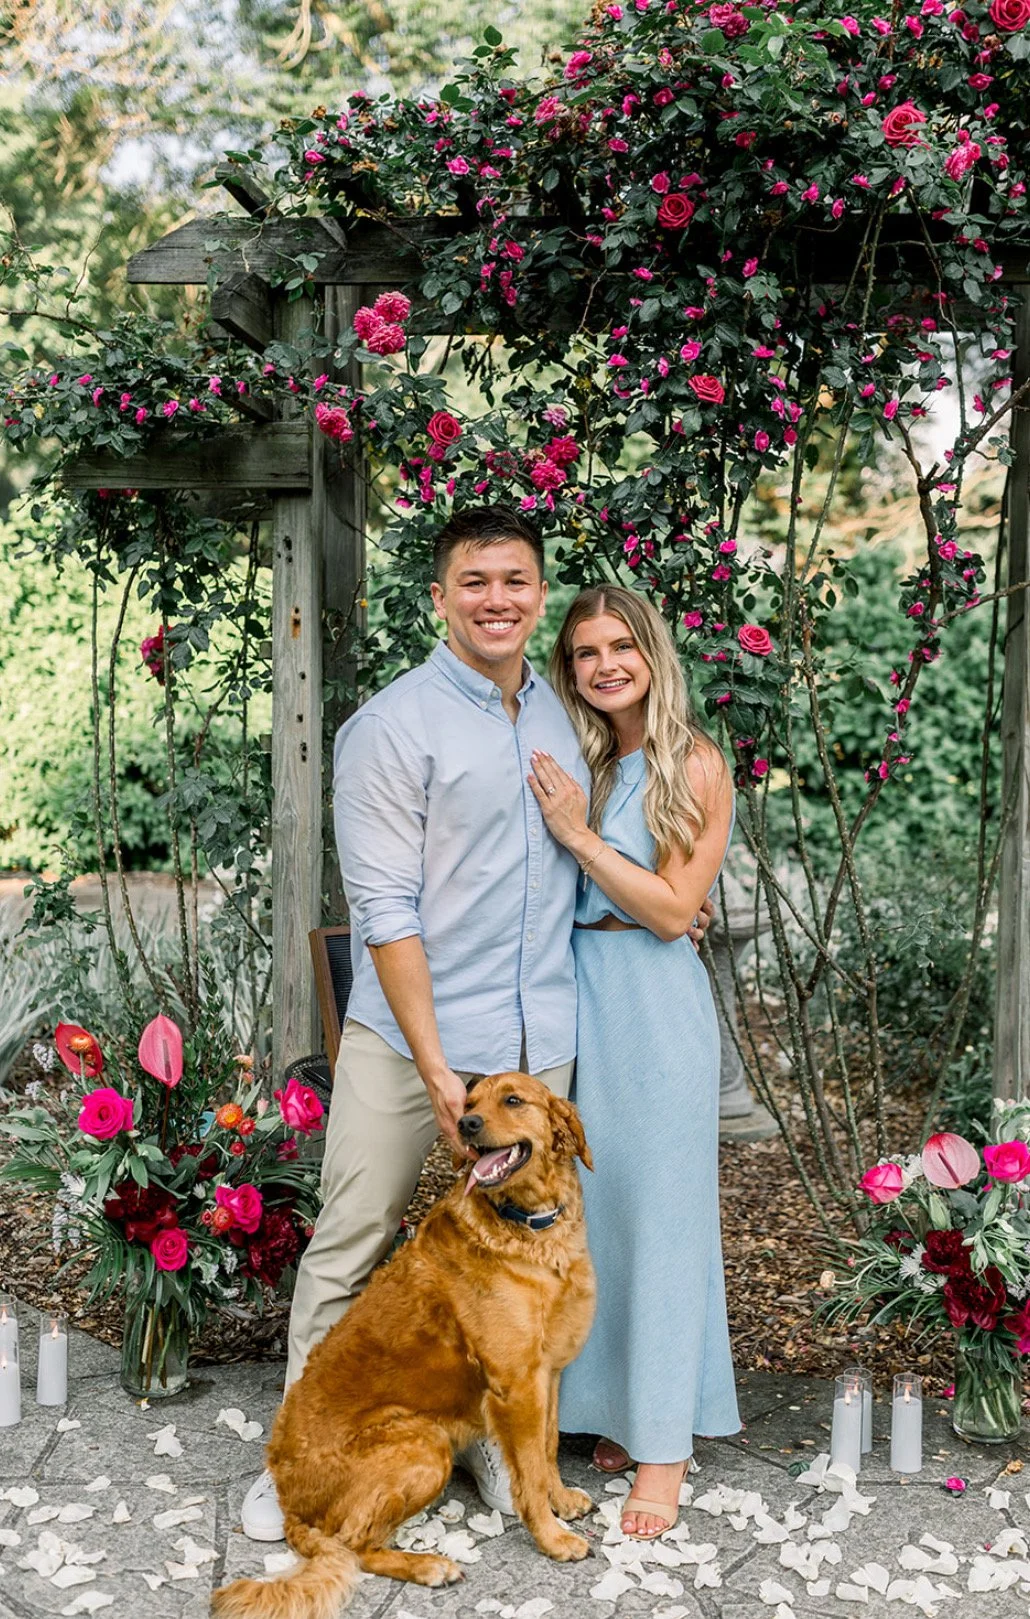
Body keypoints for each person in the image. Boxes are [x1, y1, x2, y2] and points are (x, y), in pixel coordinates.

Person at [241, 504, 592, 1540]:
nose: (497, 598)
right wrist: (440, 1069)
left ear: (539, 591)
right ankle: (298, 1458)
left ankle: (491, 1447)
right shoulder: (389, 727)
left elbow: (585, 854)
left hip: (540, 1039)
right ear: (439, 598)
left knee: (515, 1264)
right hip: (412, 1041)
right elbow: (384, 911)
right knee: (353, 1235)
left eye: (516, 579)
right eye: (474, 581)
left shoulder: (566, 713)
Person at [528, 584, 740, 1541]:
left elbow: (667, 909)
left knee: (661, 1219)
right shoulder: (587, 760)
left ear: (652, 651)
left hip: (653, 1002)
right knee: (596, 1219)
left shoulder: (691, 761)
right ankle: (618, 1409)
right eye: (584, 652)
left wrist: (576, 835)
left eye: (621, 645)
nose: (605, 664)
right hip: (578, 997)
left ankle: (664, 1450)